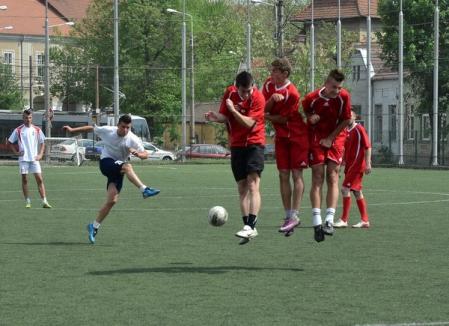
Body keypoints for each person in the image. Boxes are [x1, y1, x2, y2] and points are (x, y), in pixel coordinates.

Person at [62, 114, 160, 244]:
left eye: (128, 128)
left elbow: (145, 155)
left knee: (112, 200)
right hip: (106, 163)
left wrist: (138, 153)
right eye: (123, 127)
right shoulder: (109, 131)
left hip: (118, 170)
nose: (125, 130)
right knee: (127, 166)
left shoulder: (133, 139)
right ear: (118, 125)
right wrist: (72, 130)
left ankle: (94, 226)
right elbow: (91, 128)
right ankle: (144, 190)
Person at [205, 71, 265, 245]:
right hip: (237, 145)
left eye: (249, 90)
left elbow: (249, 123)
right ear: (236, 86)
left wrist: (232, 110)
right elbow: (225, 116)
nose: (246, 94)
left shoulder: (258, 98)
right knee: (242, 187)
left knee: (253, 183)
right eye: (243, 91)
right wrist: (216, 118)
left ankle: (252, 225)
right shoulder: (229, 93)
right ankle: (247, 226)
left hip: (255, 143)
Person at [302, 69, 351, 242]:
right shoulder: (311, 98)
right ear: (326, 83)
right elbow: (306, 110)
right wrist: (310, 117)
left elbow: (346, 120)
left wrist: (331, 138)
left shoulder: (343, 97)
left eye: (339, 88)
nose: (336, 91)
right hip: (316, 138)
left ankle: (329, 220)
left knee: (332, 175)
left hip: (336, 138)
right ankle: (317, 222)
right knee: (317, 176)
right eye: (334, 87)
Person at [262, 58, 309, 237]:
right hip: (281, 137)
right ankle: (288, 216)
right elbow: (263, 107)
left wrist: (264, 116)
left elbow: (282, 119)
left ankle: (295, 215)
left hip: (297, 136)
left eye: (275, 71)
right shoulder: (268, 85)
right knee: (283, 174)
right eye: (271, 71)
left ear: (285, 74)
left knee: (297, 174)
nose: (271, 74)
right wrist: (272, 101)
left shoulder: (293, 93)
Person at [334, 110, 372, 228]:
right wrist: (340, 166)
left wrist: (368, 163)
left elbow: (368, 146)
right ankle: (365, 220)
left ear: (355, 117)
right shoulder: (345, 131)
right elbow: (345, 150)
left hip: (357, 165)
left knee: (345, 189)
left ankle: (344, 219)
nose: (348, 117)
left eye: (350, 115)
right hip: (350, 166)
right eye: (346, 116)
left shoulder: (359, 129)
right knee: (356, 191)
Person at [8, 109, 52, 209]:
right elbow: (10, 142)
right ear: (23, 118)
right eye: (26, 118)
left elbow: (42, 142)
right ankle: (28, 201)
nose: (28, 119)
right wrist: (16, 153)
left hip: (34, 159)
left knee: (40, 179)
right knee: (25, 179)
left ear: (32, 118)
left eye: (30, 117)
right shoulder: (18, 130)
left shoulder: (37, 130)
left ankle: (44, 201)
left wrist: (40, 154)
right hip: (23, 159)